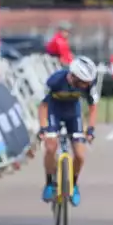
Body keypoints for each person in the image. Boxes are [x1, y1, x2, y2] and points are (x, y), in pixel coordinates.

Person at [38, 56, 98, 206]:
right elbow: (43, 106)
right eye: (84, 82)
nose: (86, 85)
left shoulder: (89, 84)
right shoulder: (55, 81)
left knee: (80, 155)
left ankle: (74, 184)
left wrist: (90, 129)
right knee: (51, 147)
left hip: (73, 114)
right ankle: (50, 183)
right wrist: (43, 127)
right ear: (74, 77)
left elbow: (93, 108)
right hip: (54, 112)